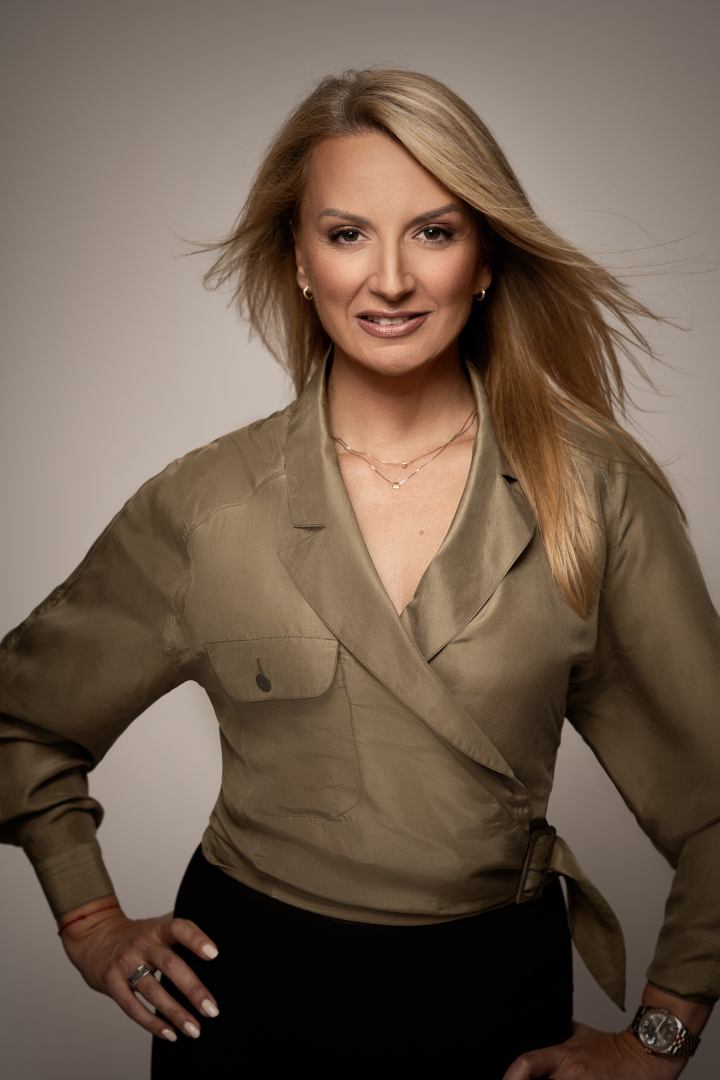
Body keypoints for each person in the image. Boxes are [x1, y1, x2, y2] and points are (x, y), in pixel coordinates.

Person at [0, 65, 718, 1079]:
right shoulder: (207, 503)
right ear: (299, 259)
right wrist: (89, 919)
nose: (389, 279)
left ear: (485, 258)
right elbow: (21, 719)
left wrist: (661, 1038)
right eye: (346, 234)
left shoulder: (593, 495)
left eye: (434, 231)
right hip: (246, 1003)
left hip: (494, 1003)